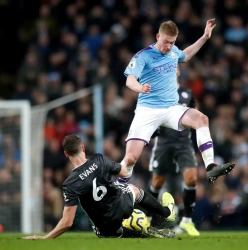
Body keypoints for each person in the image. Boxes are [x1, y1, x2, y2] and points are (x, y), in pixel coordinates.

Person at [117, 19, 235, 186]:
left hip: (171, 109)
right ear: (158, 36)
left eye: (172, 43)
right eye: (166, 42)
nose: (169, 46)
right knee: (130, 158)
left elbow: (185, 55)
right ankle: (119, 185)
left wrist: (204, 37)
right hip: (148, 110)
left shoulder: (173, 52)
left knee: (201, 119)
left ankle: (210, 166)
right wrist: (140, 88)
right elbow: (129, 80)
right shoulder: (143, 55)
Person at [23, 134, 176, 239]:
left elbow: (67, 222)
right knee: (133, 190)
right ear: (82, 148)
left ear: (66, 154)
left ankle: (145, 233)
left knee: (108, 231)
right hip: (122, 205)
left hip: (105, 226)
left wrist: (46, 237)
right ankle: (166, 212)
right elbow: (123, 173)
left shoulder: (70, 183)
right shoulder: (99, 160)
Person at [148, 67, 200, 236]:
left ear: (178, 72)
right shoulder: (157, 93)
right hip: (164, 143)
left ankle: (187, 221)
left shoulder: (187, 93)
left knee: (191, 178)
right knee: (157, 183)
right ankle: (147, 217)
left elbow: (194, 115)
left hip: (183, 143)